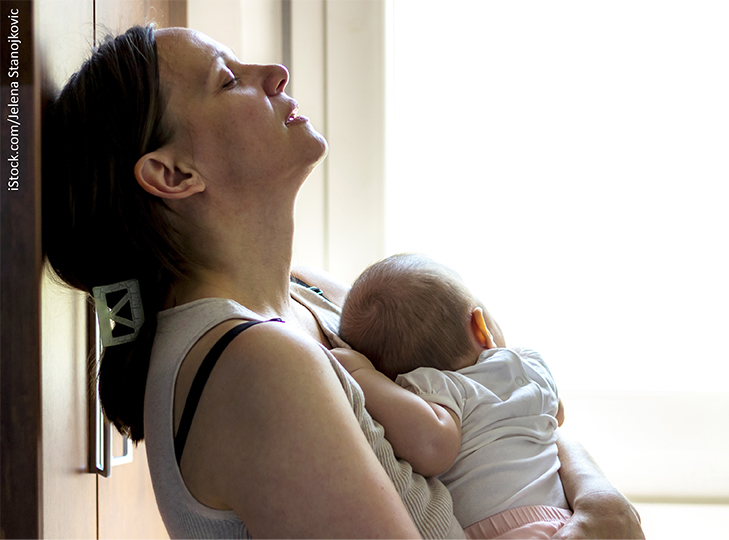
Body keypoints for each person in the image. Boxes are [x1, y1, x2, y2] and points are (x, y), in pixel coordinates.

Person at [41, 24, 644, 539]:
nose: (274, 72)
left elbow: (506, 400)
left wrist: (600, 498)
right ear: (173, 174)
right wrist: (600, 509)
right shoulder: (255, 362)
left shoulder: (314, 295)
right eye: (228, 80)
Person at [336, 253, 570, 539]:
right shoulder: (529, 364)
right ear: (480, 327)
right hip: (562, 518)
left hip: (506, 531)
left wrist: (361, 374)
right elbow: (556, 415)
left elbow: (433, 448)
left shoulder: (435, 389)